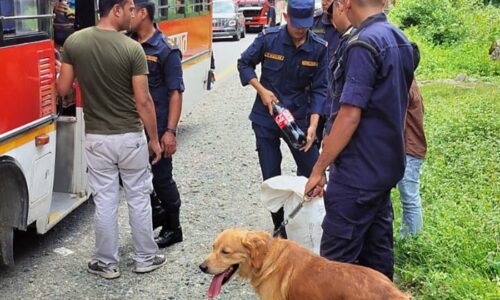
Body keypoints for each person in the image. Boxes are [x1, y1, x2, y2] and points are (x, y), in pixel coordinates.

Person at [304, 0, 416, 281]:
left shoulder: (362, 44)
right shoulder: (399, 39)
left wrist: (318, 169)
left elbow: (349, 115)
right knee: (377, 260)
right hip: (384, 171)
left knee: (334, 270)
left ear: (346, 3)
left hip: (356, 176)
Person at [56, 0, 166, 279]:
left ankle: (107, 264)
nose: (132, 15)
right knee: (138, 197)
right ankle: (145, 258)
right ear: (116, 9)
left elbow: (63, 88)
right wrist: (154, 139)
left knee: (105, 200)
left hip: (96, 138)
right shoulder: (132, 49)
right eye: (129, 9)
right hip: (129, 136)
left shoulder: (75, 42)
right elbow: (143, 101)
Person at [238, 0, 328, 238]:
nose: (300, 30)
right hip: (266, 118)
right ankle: (280, 230)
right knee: (271, 176)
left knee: (313, 171)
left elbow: (320, 89)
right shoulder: (269, 38)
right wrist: (261, 90)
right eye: (296, 24)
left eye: (305, 25)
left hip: (297, 120)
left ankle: (316, 225)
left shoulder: (318, 47)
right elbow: (244, 63)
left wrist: (314, 125)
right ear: (286, 17)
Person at [129, 0, 184, 249]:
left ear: (143, 14)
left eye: (132, 10)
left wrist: (170, 132)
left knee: (162, 178)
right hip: (130, 127)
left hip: (158, 126)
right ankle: (157, 211)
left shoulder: (165, 50)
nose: (127, 15)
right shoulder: (126, 42)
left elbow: (175, 93)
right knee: (129, 177)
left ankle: (174, 226)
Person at [398, 79, 426, 238]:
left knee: (410, 200)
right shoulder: (410, 83)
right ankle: (408, 239)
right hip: (412, 148)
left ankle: (411, 242)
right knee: (409, 199)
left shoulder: (405, 85)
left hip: (409, 149)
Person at [310, 0, 340, 144]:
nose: (324, 2)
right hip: (314, 99)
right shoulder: (314, 23)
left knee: (335, 149)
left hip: (337, 102)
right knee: (308, 147)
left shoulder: (352, 26)